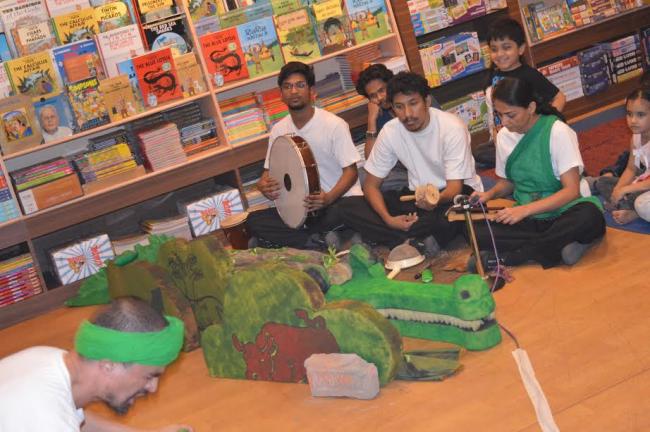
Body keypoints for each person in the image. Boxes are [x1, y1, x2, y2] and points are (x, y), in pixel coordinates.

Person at [339, 71, 483, 257]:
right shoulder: (391, 131)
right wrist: (388, 219)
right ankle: (413, 237)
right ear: (392, 108)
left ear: (427, 101)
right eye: (399, 107)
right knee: (349, 206)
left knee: (452, 215)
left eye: (413, 104)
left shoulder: (452, 127)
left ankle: (399, 237)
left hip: (451, 196)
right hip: (416, 196)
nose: (407, 114)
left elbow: (454, 188)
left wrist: (433, 202)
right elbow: (370, 185)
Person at [470, 77, 605, 270]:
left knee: (589, 217)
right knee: (478, 232)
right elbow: (509, 182)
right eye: (500, 115)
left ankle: (513, 257)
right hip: (530, 218)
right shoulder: (504, 137)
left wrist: (524, 210)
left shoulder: (558, 131)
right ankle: (562, 246)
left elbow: (571, 191)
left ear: (531, 108)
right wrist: (489, 194)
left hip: (565, 210)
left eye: (510, 115)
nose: (504, 122)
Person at [0, 297, 192, 432]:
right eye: (149, 376)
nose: (152, 387)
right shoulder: (48, 421)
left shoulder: (45, 357)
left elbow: (76, 414)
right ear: (109, 365)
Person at [247, 61, 362, 250]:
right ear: (281, 94)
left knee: (347, 211)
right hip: (301, 209)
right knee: (253, 220)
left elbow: (351, 172)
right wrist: (263, 185)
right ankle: (318, 240)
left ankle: (307, 239)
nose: (293, 91)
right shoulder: (278, 130)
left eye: (300, 85)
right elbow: (268, 172)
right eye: (287, 87)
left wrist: (328, 198)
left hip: (336, 201)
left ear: (312, 91)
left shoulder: (334, 124)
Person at [474, 17, 566, 168]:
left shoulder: (529, 75)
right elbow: (493, 113)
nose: (500, 54)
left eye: (506, 47)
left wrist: (544, 126)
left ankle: (527, 155)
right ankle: (516, 156)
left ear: (521, 49)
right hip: (505, 136)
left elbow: (560, 97)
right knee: (478, 153)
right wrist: (496, 136)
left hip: (527, 135)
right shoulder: (492, 76)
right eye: (494, 49)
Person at [355, 63, 440, 191]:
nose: (379, 98)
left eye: (382, 90)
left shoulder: (418, 99)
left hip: (432, 162)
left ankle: (422, 187)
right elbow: (372, 160)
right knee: (362, 176)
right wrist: (371, 120)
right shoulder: (380, 114)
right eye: (373, 96)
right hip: (404, 167)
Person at [590, 87, 650, 224]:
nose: (633, 120)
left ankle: (635, 212)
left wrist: (626, 189)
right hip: (643, 181)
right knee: (603, 183)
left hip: (644, 187)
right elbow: (631, 169)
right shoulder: (635, 137)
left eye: (640, 115)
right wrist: (617, 191)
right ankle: (624, 205)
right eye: (629, 114)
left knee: (642, 204)